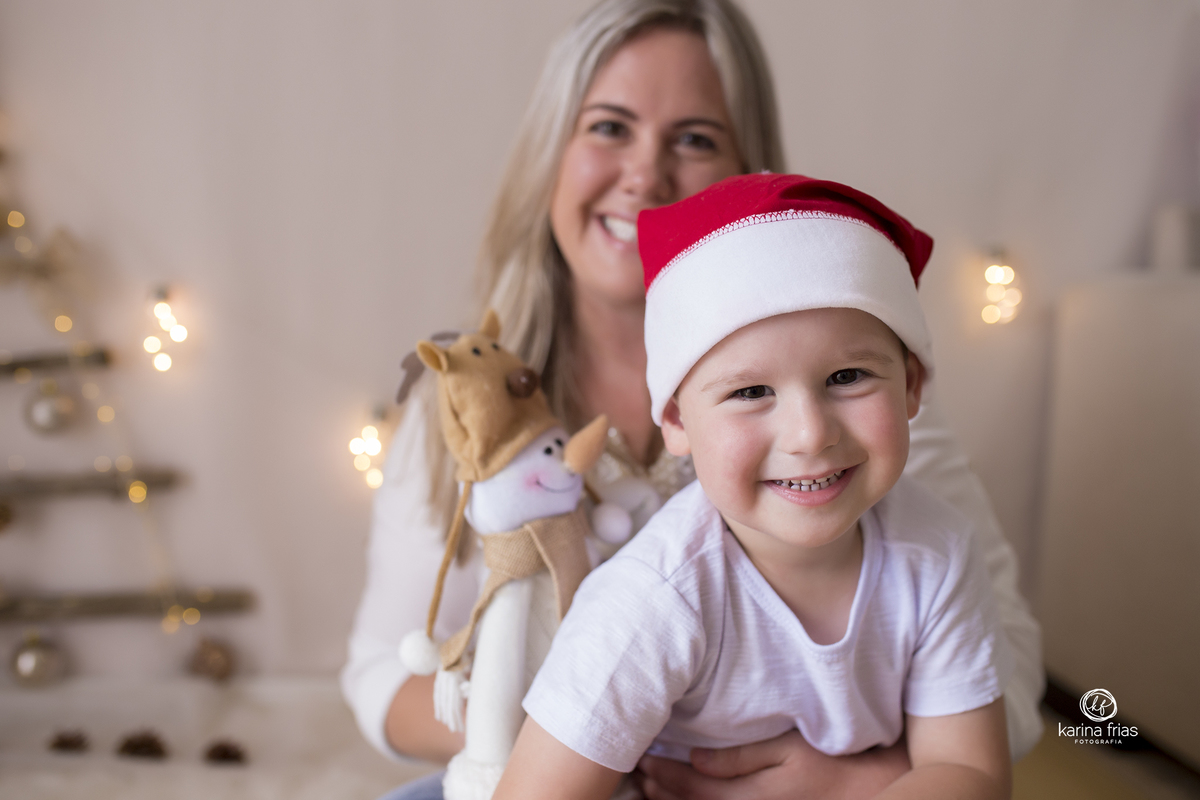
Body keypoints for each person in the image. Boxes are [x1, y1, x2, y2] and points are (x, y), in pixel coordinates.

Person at [341, 2, 1043, 798]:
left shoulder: (879, 445)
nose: (645, 174)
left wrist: (853, 782)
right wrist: (595, 719)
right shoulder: (481, 418)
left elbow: (1001, 689)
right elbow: (382, 677)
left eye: (695, 137)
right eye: (608, 127)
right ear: (678, 417)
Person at [496, 173, 1012, 800]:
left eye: (847, 376)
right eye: (750, 392)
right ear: (679, 421)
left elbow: (971, 774)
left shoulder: (936, 554)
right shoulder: (653, 601)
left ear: (910, 386)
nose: (808, 434)